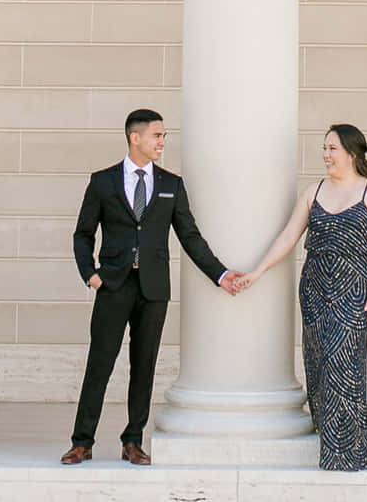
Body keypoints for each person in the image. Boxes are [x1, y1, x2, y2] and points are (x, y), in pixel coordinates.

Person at [64, 108, 247, 465]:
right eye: (157, 136)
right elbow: (83, 234)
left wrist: (221, 274)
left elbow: (190, 236)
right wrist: (91, 274)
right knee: (99, 364)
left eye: (164, 136)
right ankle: (82, 441)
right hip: (113, 285)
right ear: (136, 137)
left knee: (143, 365)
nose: (163, 142)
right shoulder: (102, 182)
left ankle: (133, 440)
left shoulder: (170, 184)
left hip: (153, 289)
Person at [240, 123, 367, 472]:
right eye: (324, 148)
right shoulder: (314, 191)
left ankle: (348, 453)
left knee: (345, 366)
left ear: (352, 153)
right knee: (319, 363)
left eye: (332, 148)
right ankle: (328, 439)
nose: (325, 154)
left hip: (355, 288)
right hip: (314, 288)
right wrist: (258, 270)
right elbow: (288, 237)